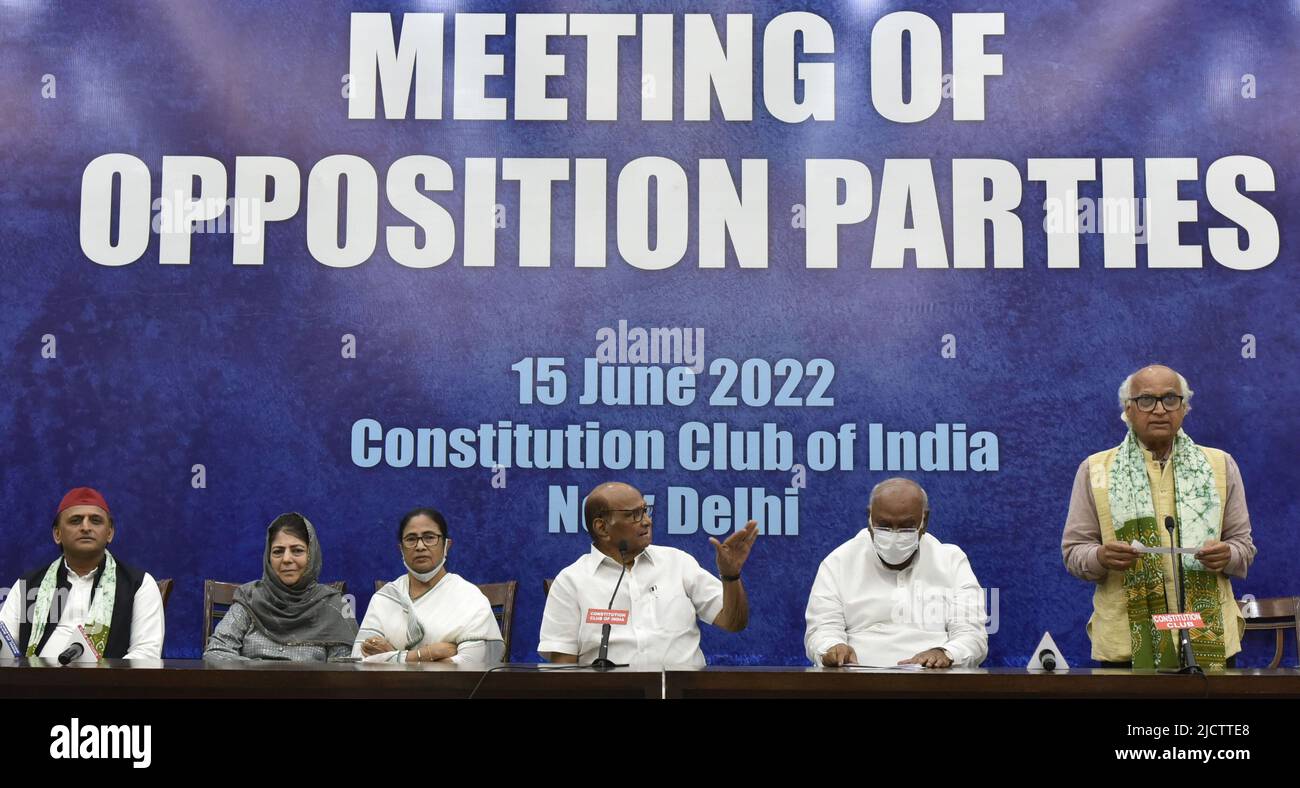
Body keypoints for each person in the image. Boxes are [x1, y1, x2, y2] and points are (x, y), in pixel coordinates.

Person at [1061, 365, 1256, 669]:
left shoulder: (1220, 465)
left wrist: (1227, 555)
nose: (1160, 410)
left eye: (1170, 399)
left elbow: (1243, 548)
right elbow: (1074, 554)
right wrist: (1101, 556)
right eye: (1147, 400)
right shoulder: (1095, 470)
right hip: (1126, 645)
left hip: (1210, 641)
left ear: (1185, 407)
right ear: (1128, 409)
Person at [538, 482, 758, 667]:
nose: (646, 521)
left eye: (645, 510)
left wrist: (731, 576)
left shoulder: (677, 562)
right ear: (602, 528)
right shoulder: (571, 582)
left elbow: (733, 622)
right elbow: (562, 670)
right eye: (634, 515)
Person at [804, 478, 987, 668]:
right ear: (869, 518)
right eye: (883, 524)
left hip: (933, 683)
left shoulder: (951, 561)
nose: (894, 534)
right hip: (857, 684)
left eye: (906, 526)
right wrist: (832, 647)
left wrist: (946, 653)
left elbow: (972, 636)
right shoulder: (838, 562)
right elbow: (821, 631)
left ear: (924, 521)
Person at [0, 487, 164, 660]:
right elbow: (4, 646)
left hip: (106, 685)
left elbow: (146, 653)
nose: (86, 527)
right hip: (34, 684)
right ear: (57, 534)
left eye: (95, 521)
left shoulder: (137, 584)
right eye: (75, 521)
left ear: (109, 533)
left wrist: (100, 682)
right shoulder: (29, 585)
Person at [353, 507, 504, 665]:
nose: (420, 546)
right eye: (411, 539)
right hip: (390, 688)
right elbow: (359, 659)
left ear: (446, 545)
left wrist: (393, 657)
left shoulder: (470, 597)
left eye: (429, 537)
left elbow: (471, 664)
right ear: (401, 549)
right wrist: (430, 653)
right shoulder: (386, 598)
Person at [203, 513, 357, 661]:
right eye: (278, 551)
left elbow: (343, 671)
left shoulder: (334, 605)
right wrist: (264, 674)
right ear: (268, 557)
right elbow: (216, 652)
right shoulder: (249, 598)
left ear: (312, 555)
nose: (286, 559)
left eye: (297, 550)